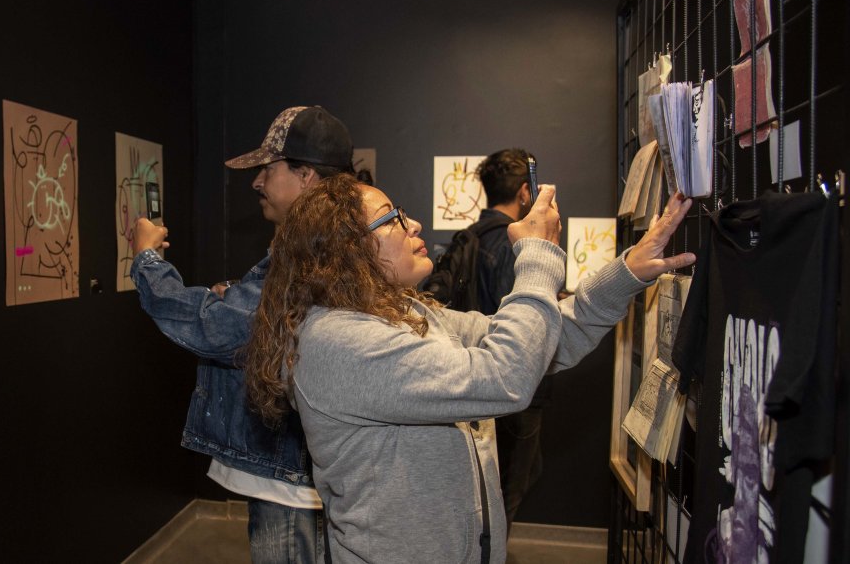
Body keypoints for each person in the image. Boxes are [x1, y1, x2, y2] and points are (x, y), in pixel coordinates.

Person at [244, 174, 694, 563]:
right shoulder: (339, 342)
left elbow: (543, 341)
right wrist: (536, 256)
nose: (413, 223)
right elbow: (505, 377)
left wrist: (628, 272)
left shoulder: (407, 312)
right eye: (392, 218)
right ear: (345, 251)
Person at [130, 105, 354, 564]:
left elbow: (216, 328)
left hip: (289, 481)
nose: (257, 182)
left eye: (268, 170)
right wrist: (243, 296)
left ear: (306, 175)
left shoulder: (306, 256)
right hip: (316, 470)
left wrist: (147, 261)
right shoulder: (345, 243)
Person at [474, 148, 551, 529]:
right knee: (508, 488)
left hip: (479, 380)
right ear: (525, 192)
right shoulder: (510, 244)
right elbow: (520, 320)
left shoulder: (471, 236)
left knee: (502, 482)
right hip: (515, 388)